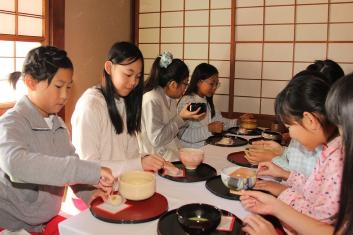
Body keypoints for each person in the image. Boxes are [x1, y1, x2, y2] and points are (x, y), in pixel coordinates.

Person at [0, 46, 114, 233]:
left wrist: (89, 193)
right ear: (31, 82)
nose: (64, 95)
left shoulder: (57, 124)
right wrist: (88, 170)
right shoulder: (11, 123)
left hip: (45, 220)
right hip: (12, 225)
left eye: (68, 88)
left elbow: (70, 165)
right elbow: (16, 164)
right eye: (58, 87)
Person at [240, 73, 353, 235]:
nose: (290, 135)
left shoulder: (338, 156)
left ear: (309, 120)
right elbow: (314, 191)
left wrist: (279, 202)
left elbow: (320, 218)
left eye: (289, 127)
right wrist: (280, 192)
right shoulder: (331, 148)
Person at [71, 42, 165, 177]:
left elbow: (130, 154)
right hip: (96, 191)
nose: (133, 82)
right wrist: (140, 163)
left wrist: (150, 160)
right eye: (128, 74)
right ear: (109, 68)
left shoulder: (125, 101)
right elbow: (88, 166)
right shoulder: (90, 106)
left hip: (122, 183)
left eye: (138, 77)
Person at [245, 59, 344, 177]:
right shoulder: (319, 137)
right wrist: (281, 151)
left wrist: (275, 159)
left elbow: (308, 181)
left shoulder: (336, 155)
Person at [137, 52, 204, 160]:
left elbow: (171, 132)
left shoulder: (170, 98)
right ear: (172, 84)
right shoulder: (151, 99)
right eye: (185, 84)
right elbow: (157, 140)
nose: (185, 88)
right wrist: (181, 118)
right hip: (153, 157)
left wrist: (187, 117)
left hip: (168, 151)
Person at [177, 63, 237, 148]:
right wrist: (209, 129)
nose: (215, 87)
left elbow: (219, 122)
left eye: (217, 84)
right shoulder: (188, 101)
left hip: (207, 146)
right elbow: (183, 135)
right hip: (190, 151)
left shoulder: (207, 101)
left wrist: (237, 122)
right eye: (212, 84)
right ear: (199, 82)